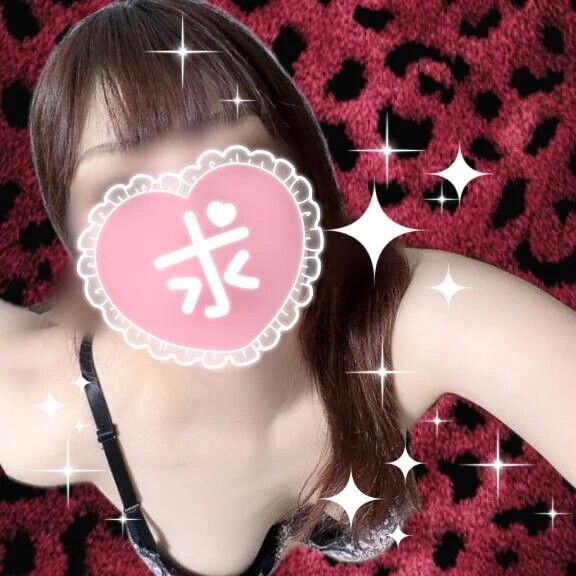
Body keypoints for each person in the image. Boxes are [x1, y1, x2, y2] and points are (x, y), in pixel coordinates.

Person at [1, 0, 574, 575]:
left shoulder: (424, 313)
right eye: (121, 187)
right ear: (75, 243)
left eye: (227, 152)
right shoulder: (39, 416)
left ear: (295, 158)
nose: (187, 215)